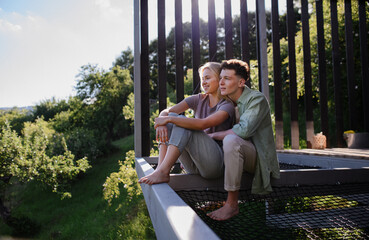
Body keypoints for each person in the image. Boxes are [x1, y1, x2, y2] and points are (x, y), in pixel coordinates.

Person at [138, 62, 235, 185]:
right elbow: (167, 111)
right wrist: (162, 121)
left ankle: (162, 171)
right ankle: (161, 169)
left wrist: (169, 119)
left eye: (208, 78)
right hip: (194, 165)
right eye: (202, 79)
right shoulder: (198, 99)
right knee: (173, 118)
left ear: (219, 79)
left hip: (215, 166)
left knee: (182, 122)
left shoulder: (227, 105)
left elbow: (202, 124)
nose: (204, 82)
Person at [207, 59, 280, 221]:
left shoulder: (256, 99)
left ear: (241, 82)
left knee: (231, 140)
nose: (221, 82)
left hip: (258, 159)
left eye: (227, 78)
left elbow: (244, 131)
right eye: (220, 78)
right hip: (236, 158)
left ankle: (232, 204)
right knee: (225, 143)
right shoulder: (226, 102)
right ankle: (217, 198)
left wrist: (213, 136)